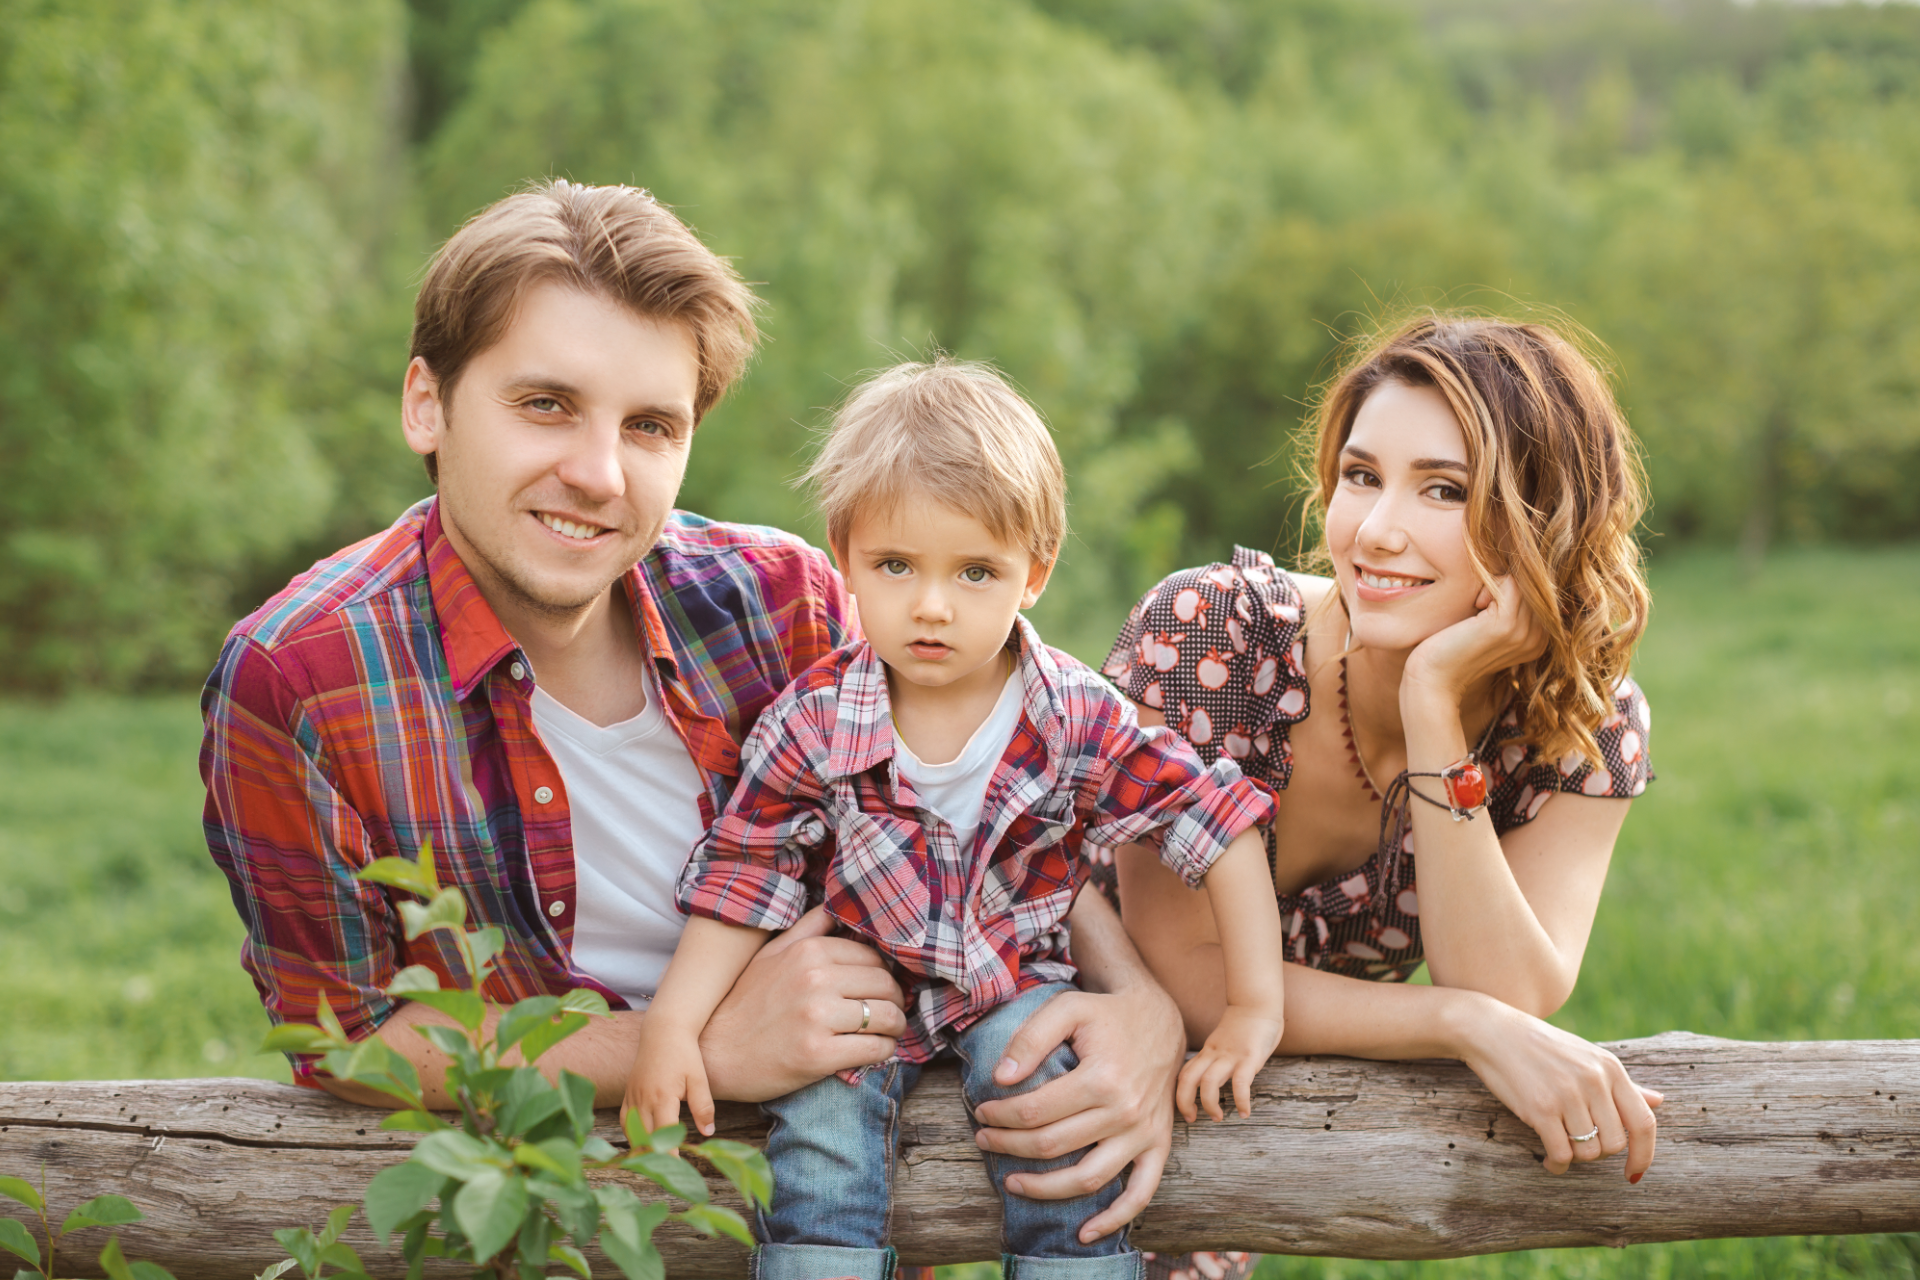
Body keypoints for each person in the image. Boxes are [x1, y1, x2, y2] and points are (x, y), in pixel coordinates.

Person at [199, 184, 1189, 1241]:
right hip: (547, 1234)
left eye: (650, 425)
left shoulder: (784, 601)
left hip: (864, 1193)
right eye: (545, 405)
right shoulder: (299, 676)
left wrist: (1142, 1001)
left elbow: (984, 811)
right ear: (426, 403)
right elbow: (352, 1038)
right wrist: (694, 1044)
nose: (596, 473)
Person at [624, 360, 1286, 1280]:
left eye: (977, 572)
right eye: (896, 566)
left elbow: (1220, 824)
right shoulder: (814, 719)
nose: (932, 607)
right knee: (816, 1142)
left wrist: (1255, 1008)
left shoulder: (1075, 716)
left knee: (1053, 1112)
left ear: (1035, 573)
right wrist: (671, 1027)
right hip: (862, 994)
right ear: (844, 554)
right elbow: (745, 878)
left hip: (1014, 979)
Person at [1101, 314, 1664, 1280]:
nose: (1375, 530)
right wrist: (1456, 1024)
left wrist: (1434, 702)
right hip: (1034, 1006)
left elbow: (1512, 987)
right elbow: (1190, 969)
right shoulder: (1209, 634)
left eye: (1443, 490)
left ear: (1544, 521)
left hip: (1221, 1115)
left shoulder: (1583, 722)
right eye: (1362, 476)